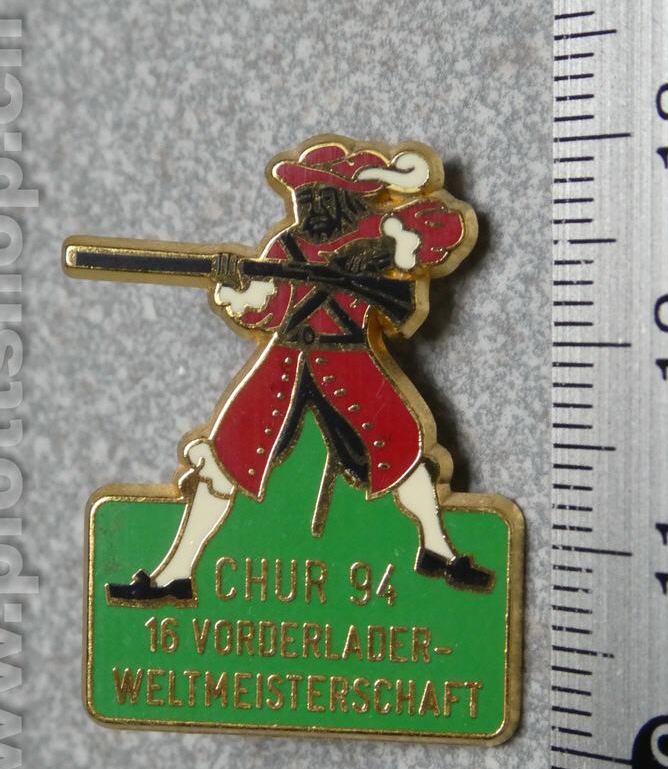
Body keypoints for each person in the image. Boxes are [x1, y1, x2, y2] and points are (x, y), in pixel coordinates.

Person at [108, 137, 494, 605]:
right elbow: (265, 312)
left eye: (317, 196)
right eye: (304, 197)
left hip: (351, 362)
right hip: (286, 363)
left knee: (400, 450)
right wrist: (239, 284)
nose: (308, 207)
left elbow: (444, 228)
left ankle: (438, 551)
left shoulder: (381, 230)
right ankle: (176, 573)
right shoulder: (286, 244)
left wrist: (385, 248)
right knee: (224, 459)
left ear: (341, 197)